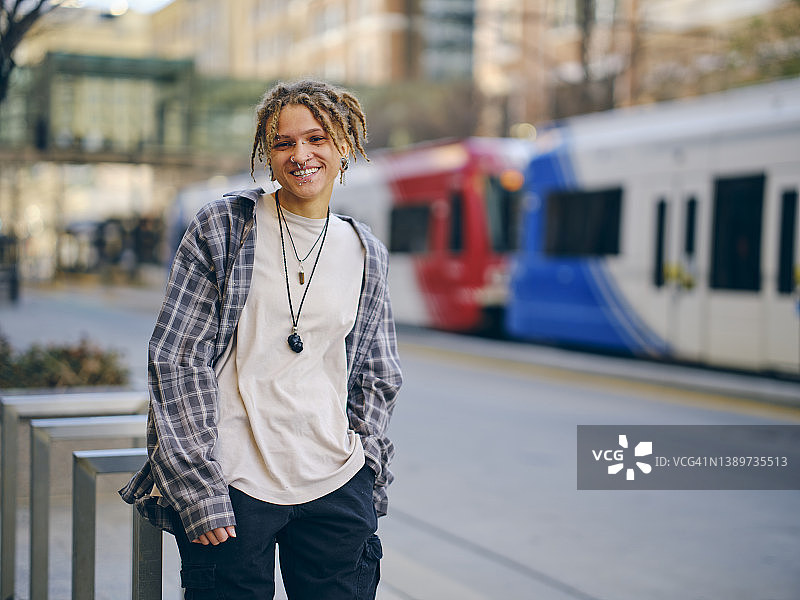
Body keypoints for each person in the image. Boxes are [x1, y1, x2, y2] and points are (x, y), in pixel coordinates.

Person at [120, 79, 402, 600]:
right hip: (233, 487)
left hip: (335, 483)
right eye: (283, 143)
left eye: (316, 138)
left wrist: (368, 473)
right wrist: (198, 489)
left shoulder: (365, 251)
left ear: (343, 145)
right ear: (266, 155)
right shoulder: (224, 229)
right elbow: (177, 359)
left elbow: (377, 375)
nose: (301, 155)